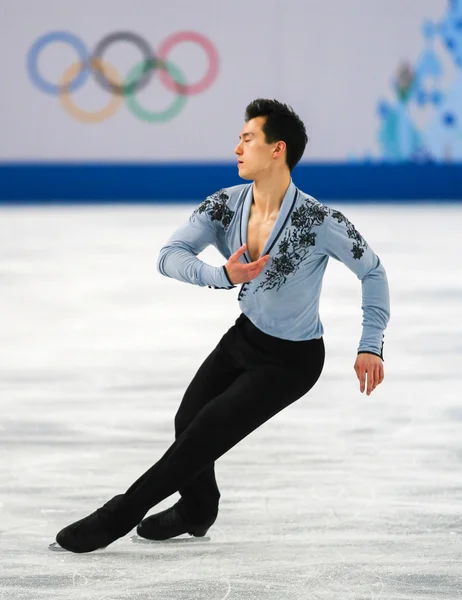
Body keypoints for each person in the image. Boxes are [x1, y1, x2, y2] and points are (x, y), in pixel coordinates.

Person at [55, 98, 390, 553]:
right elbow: (168, 256)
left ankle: (116, 516)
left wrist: (370, 344)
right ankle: (198, 508)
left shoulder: (318, 220)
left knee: (202, 434)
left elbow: (372, 271)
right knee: (187, 420)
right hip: (244, 338)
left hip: (292, 361)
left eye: (247, 138)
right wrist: (222, 276)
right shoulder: (223, 206)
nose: (237, 147)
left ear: (277, 150)